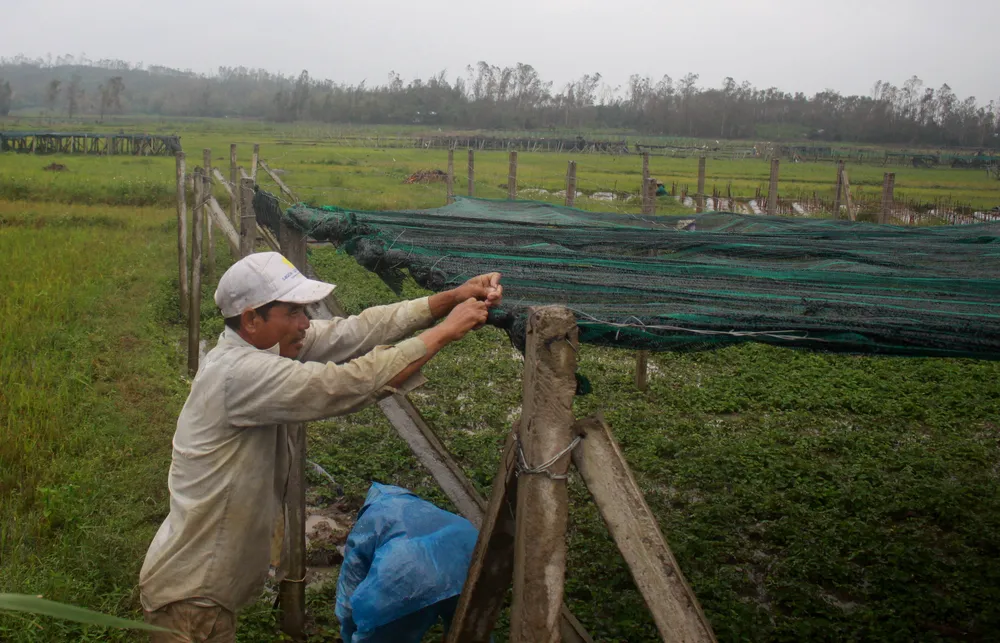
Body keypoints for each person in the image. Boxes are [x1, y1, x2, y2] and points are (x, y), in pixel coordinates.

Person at [139, 252, 502, 642]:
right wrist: (444, 332)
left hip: (202, 587)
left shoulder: (264, 348)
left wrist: (450, 298)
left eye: (305, 310)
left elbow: (357, 330)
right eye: (293, 312)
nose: (305, 324)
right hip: (194, 598)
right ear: (251, 319)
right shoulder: (240, 374)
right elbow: (347, 385)